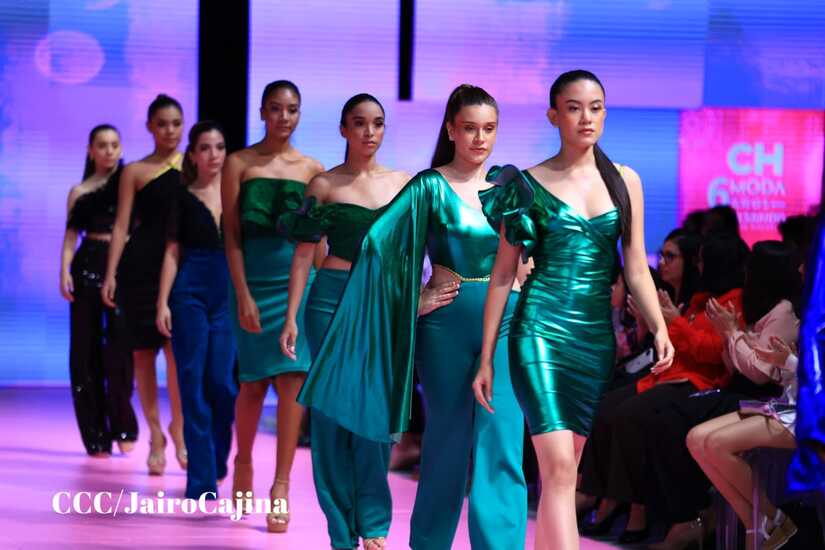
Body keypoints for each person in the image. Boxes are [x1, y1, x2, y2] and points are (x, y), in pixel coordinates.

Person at [299, 84, 529, 550]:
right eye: (469, 128)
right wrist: (412, 301)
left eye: (488, 129)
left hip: (506, 321)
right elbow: (378, 245)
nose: (479, 138)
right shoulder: (428, 186)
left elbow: (528, 252)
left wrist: (526, 279)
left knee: (502, 440)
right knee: (447, 441)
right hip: (445, 328)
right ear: (451, 130)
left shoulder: (509, 187)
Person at [474, 70, 675, 550]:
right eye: (573, 107)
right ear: (553, 115)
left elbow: (636, 266)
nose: (586, 118)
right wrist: (486, 356)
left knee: (563, 476)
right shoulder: (526, 185)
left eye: (595, 107)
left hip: (593, 340)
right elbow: (503, 275)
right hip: (538, 331)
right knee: (561, 469)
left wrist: (660, 327)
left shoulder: (625, 180)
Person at [279, 93, 410, 550]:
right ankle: (340, 530)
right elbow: (302, 257)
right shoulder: (323, 184)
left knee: (374, 414)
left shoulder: (403, 184)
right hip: (330, 302)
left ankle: (373, 523)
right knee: (331, 417)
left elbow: (413, 252)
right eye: (359, 123)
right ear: (343, 129)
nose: (369, 132)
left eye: (377, 123)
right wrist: (291, 317)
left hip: (380, 305)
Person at [577, 234, 748, 545]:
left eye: (674, 256)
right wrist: (667, 322)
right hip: (668, 374)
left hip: (697, 383)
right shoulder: (700, 298)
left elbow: (710, 353)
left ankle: (634, 509)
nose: (698, 266)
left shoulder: (733, 302)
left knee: (632, 416)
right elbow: (680, 342)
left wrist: (674, 321)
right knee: (604, 408)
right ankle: (598, 494)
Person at [221, 80, 323, 532]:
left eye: (292, 109)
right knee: (252, 384)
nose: (284, 117)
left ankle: (280, 485)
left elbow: (316, 243)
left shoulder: (312, 169)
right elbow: (231, 235)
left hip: (298, 284)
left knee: (293, 381)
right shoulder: (239, 163)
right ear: (262, 111)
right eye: (276, 108)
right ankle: (243, 462)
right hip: (252, 283)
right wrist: (242, 292)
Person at [101, 95, 187, 475]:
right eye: (162, 123)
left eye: (176, 123)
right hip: (139, 268)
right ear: (150, 127)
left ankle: (179, 429)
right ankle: (154, 433)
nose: (170, 130)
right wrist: (111, 274)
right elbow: (121, 224)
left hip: (181, 267)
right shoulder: (134, 171)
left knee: (177, 354)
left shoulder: (194, 165)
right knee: (142, 355)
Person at [155, 121, 237, 499]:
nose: (213, 154)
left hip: (228, 292)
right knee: (191, 379)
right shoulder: (181, 197)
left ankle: (217, 458)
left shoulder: (236, 194)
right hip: (189, 291)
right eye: (205, 147)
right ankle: (201, 479)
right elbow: (172, 251)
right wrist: (162, 302)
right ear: (192, 155)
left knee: (222, 382)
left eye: (219, 146)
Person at [61, 124, 137, 456]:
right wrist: (64, 271)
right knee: (84, 352)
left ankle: (124, 426)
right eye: (102, 145)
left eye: (114, 144)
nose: (109, 151)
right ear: (90, 150)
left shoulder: (129, 184)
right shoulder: (79, 191)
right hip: (87, 265)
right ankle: (95, 434)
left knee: (121, 350)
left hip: (122, 266)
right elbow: (70, 237)